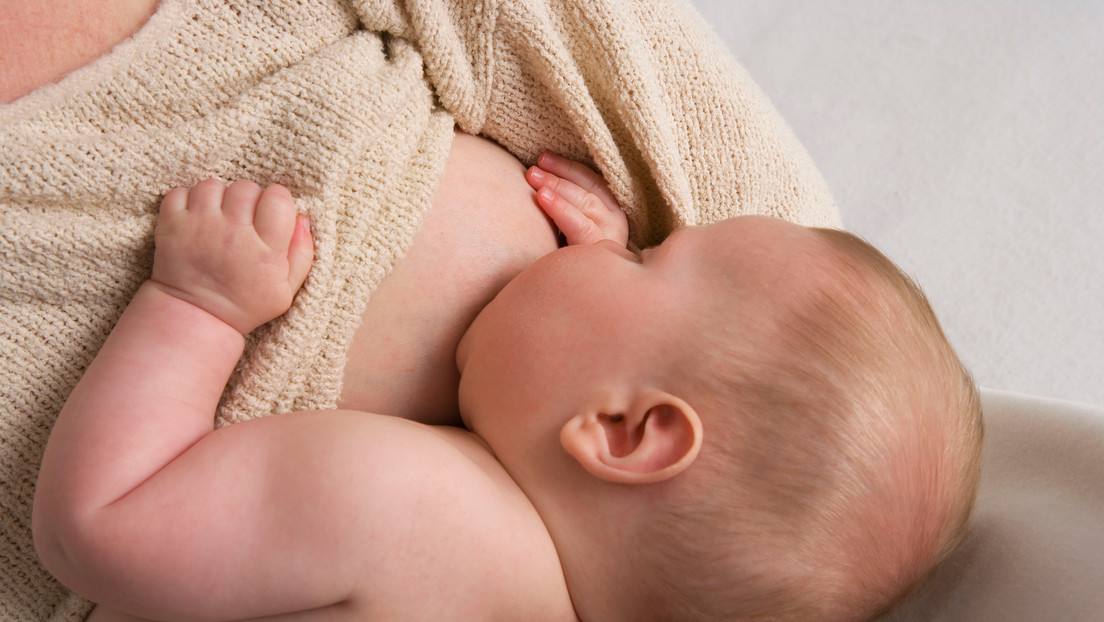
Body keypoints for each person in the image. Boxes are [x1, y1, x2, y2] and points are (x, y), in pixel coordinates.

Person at [34, 150, 983, 621]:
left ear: (621, 433)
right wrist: (606, 291)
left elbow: (96, 527)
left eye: (646, 256)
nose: (609, 236)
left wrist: (196, 307)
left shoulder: (416, 514)